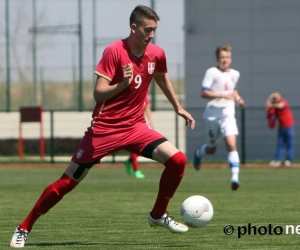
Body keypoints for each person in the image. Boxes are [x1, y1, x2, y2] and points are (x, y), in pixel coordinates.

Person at [10, 5, 195, 248]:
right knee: (67, 182)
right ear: (134, 27)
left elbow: (161, 77)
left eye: (154, 30)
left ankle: (158, 214)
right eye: (147, 30)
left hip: (136, 127)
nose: (151, 35)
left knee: (178, 160)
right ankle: (24, 226)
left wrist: (177, 107)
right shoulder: (114, 51)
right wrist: (123, 84)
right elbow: (98, 94)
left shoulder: (157, 53)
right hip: (104, 130)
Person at [193, 45, 244, 191]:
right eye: (222, 57)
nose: (224, 60)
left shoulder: (235, 74)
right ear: (217, 59)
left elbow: (232, 89)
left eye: (227, 57)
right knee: (211, 149)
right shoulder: (212, 72)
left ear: (231, 59)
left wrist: (238, 98)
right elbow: (204, 93)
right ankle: (198, 152)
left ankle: (235, 177)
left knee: (231, 144)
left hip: (228, 114)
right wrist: (223, 95)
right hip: (211, 115)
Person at [124, 95, 154, 179]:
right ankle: (135, 169)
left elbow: (148, 109)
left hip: (140, 125)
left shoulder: (144, 96)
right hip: (129, 126)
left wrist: (151, 122)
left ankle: (130, 162)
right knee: (136, 148)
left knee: (141, 147)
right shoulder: (131, 95)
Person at [265, 92, 295, 167]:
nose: (275, 99)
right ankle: (277, 160)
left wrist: (272, 103)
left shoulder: (283, 101)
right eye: (274, 98)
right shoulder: (274, 107)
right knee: (280, 144)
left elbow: (281, 106)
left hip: (289, 126)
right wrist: (270, 97)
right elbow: (266, 106)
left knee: (289, 144)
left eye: (276, 98)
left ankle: (288, 160)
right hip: (281, 127)